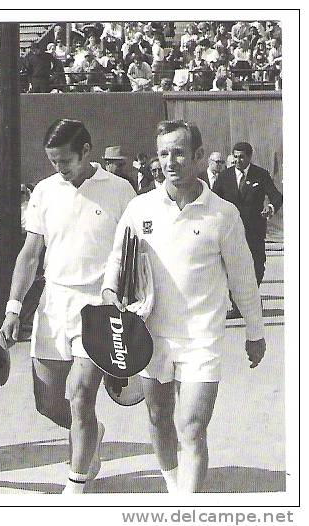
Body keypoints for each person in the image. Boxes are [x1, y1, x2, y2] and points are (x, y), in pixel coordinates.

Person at [101, 120, 266, 493]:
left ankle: (186, 506)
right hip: (151, 336)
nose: (170, 162)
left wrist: (255, 332)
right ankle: (175, 488)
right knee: (159, 419)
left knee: (191, 426)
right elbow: (117, 260)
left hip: (201, 340)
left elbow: (243, 279)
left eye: (178, 153)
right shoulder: (139, 208)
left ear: (198, 156)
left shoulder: (223, 214)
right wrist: (110, 293)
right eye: (163, 153)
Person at [1, 119, 136, 495]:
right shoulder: (45, 191)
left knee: (79, 393)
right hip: (54, 303)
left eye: (65, 161)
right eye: (53, 161)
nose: (59, 169)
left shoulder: (120, 189)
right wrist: (14, 307)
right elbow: (30, 255)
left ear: (87, 151)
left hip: (98, 303)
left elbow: (134, 252)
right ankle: (90, 435)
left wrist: (132, 305)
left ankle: (75, 486)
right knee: (49, 403)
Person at [214, 141, 283, 291]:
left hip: (254, 231)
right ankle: (235, 301)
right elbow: (213, 199)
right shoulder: (225, 176)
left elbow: (277, 196)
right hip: (230, 230)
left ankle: (251, 293)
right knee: (230, 266)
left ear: (250, 157)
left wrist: (270, 208)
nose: (238, 161)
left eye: (242, 157)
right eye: (236, 157)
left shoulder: (261, 175)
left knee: (257, 265)